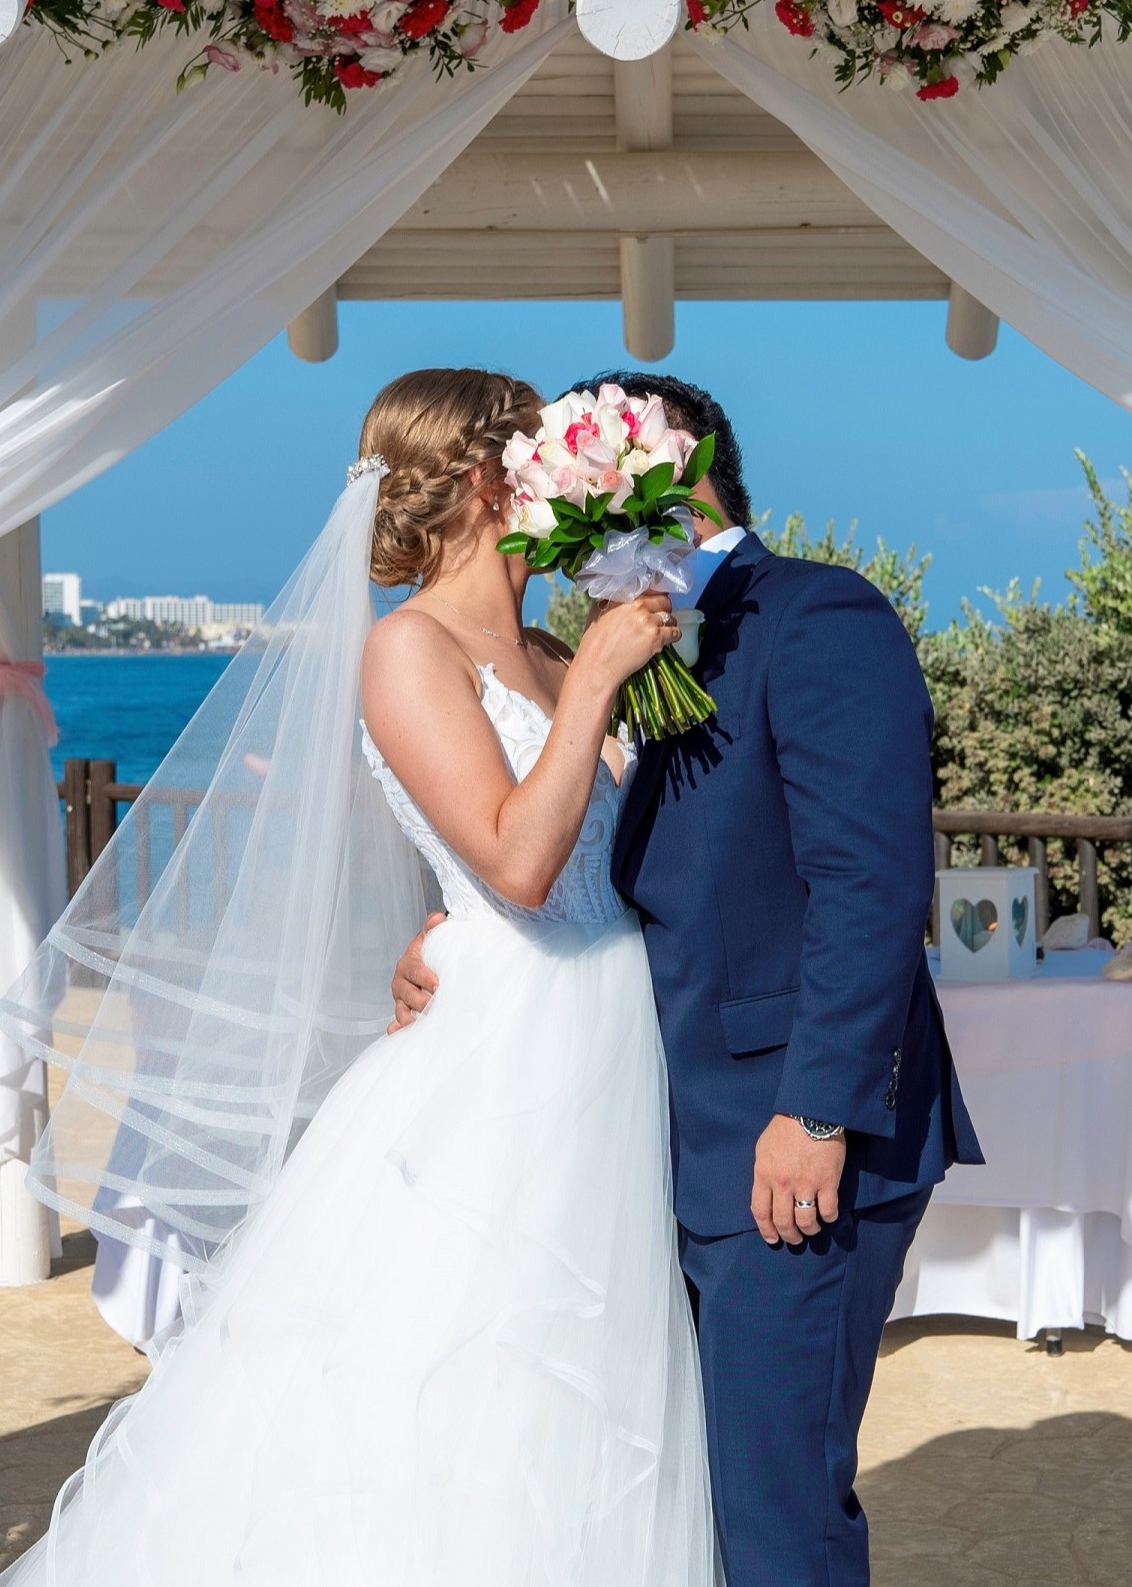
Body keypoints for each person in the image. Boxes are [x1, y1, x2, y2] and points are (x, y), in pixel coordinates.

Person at [0, 369, 720, 1586]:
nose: (558, 476)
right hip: (509, 1048)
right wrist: (595, 682)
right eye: (535, 454)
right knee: (470, 1352)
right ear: (485, 479)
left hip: (612, 1027)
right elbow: (517, 862)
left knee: (591, 1367)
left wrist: (591, 670)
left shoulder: (547, 640)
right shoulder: (406, 649)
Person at [394, 371, 979, 1587]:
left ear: (656, 481)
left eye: (569, 498)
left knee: (776, 1510)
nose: (553, 539)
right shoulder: (635, 642)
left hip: (793, 1147)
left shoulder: (817, 616)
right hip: (664, 1139)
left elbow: (868, 887)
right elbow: (609, 868)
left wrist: (815, 1111)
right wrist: (453, 944)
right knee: (698, 1497)